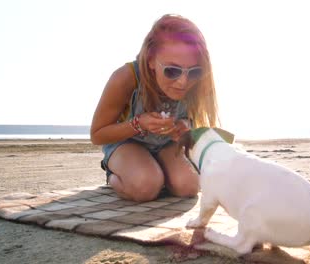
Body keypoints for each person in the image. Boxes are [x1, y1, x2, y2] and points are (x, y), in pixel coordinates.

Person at [90, 14, 220, 202]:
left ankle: (155, 170)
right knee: (145, 187)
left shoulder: (197, 82)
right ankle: (114, 175)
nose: (183, 82)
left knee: (189, 186)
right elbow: (97, 135)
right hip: (126, 143)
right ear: (150, 60)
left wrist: (184, 126)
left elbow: (191, 120)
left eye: (194, 71)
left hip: (164, 144)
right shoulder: (126, 78)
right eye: (172, 71)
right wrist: (138, 124)